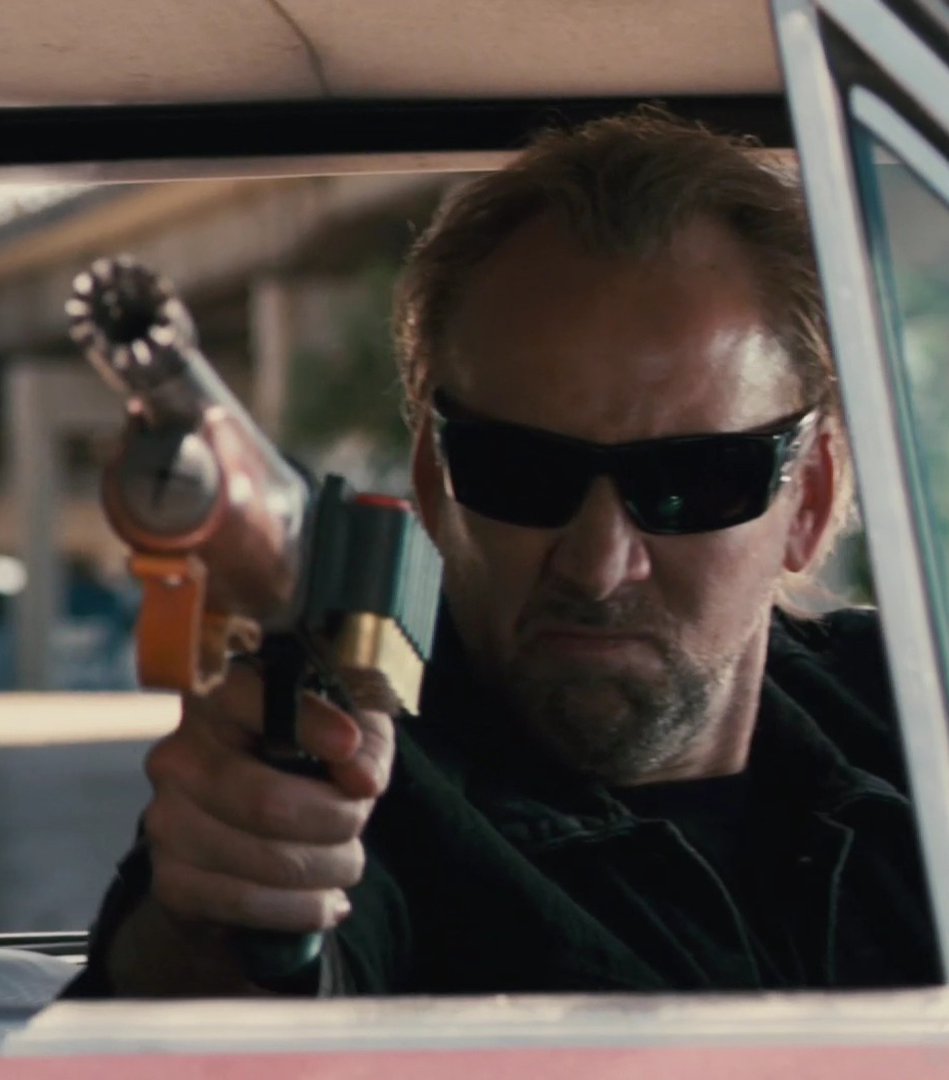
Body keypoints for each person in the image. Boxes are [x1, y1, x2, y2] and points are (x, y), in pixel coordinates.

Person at [67, 110, 941, 996]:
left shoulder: (913, 711)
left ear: (812, 501)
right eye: (521, 471)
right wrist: (227, 909)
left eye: (693, 481)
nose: (598, 565)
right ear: (434, 477)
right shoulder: (353, 772)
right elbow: (217, 984)